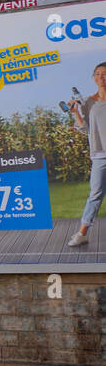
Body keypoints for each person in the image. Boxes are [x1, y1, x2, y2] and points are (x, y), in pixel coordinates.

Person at [68, 62, 106, 246]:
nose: (101, 77)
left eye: (105, 73)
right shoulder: (88, 102)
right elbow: (85, 129)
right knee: (95, 195)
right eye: (98, 73)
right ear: (94, 77)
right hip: (100, 155)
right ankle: (82, 234)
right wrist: (76, 112)